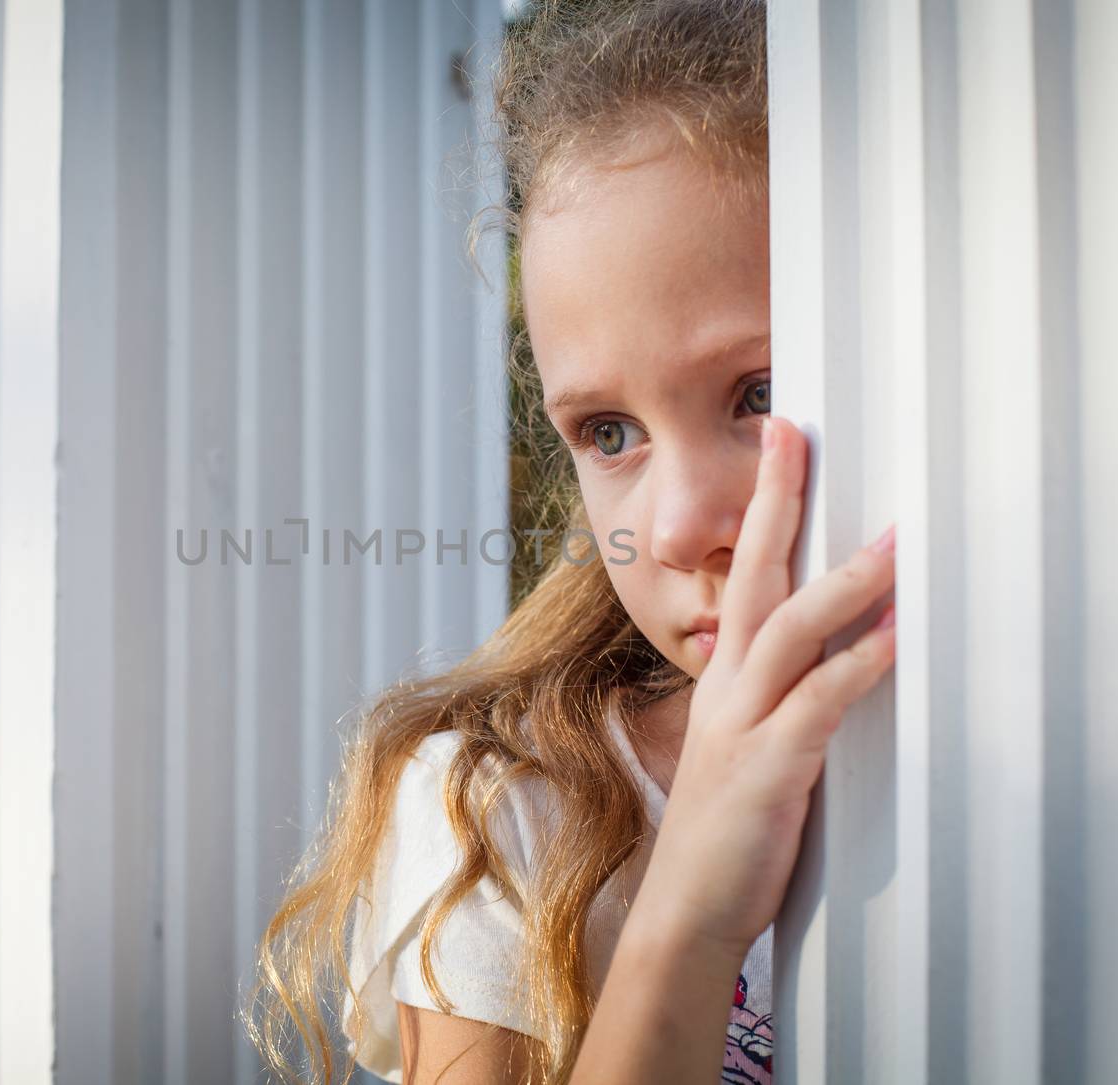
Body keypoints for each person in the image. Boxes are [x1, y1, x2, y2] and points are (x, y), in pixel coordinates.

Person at [242, 1, 897, 1081]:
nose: (677, 526)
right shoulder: (510, 810)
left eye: (758, 391)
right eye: (609, 432)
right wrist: (686, 916)